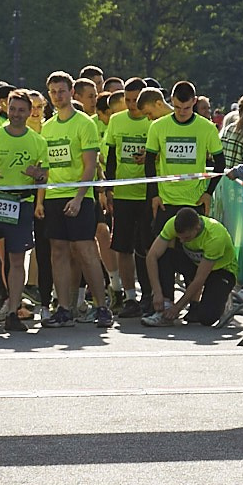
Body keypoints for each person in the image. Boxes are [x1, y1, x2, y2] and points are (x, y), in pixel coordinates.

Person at [0, 87, 50, 332]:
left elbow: (44, 177)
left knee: (17, 260)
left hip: (21, 204)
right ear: (7, 109)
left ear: (29, 112)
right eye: (12, 109)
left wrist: (37, 175)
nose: (16, 114)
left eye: (21, 110)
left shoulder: (38, 141)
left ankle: (13, 311)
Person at [40, 71, 113, 328]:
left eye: (61, 91)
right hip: (53, 197)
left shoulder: (84, 123)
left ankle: (102, 307)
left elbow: (90, 165)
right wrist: (40, 198)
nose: (57, 96)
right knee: (58, 251)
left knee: (85, 249)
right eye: (53, 92)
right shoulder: (47, 127)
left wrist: (79, 198)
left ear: (71, 92)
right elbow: (45, 166)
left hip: (79, 197)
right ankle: (64, 308)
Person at [146, 81, 223, 286]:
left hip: (194, 200)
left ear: (194, 102)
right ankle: (166, 298)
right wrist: (154, 194)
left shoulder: (207, 128)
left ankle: (193, 299)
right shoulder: (158, 126)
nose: (182, 112)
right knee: (164, 253)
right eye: (177, 107)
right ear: (171, 101)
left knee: (192, 254)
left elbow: (220, 163)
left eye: (187, 108)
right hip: (166, 200)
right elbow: (149, 162)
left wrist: (208, 193)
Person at [103, 78, 157, 314]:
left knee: (146, 247)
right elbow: (111, 156)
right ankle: (130, 297)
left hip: (146, 195)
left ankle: (149, 294)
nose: (132, 104)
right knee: (123, 248)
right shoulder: (116, 120)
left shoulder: (152, 121)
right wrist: (109, 189)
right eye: (128, 100)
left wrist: (149, 157)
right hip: (123, 194)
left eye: (136, 100)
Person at [142, 207, 241, 327]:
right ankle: (165, 306)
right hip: (196, 263)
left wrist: (177, 308)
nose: (182, 241)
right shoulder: (172, 223)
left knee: (207, 318)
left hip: (221, 271)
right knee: (164, 255)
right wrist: (157, 292)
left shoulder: (215, 237)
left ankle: (223, 299)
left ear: (197, 228)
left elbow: (200, 279)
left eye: (186, 238)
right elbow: (151, 256)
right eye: (179, 237)